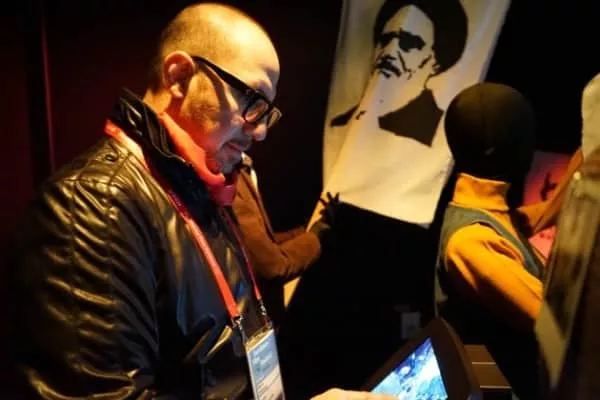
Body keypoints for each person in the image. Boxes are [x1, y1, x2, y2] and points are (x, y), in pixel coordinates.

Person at [7, 3, 395, 399]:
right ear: (179, 77)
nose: (261, 131)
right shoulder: (92, 205)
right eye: (251, 100)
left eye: (267, 112)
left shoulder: (198, 186)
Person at [434, 82, 544, 399]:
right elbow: (557, 324)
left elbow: (545, 212)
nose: (532, 145)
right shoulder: (471, 241)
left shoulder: (483, 214)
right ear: (498, 148)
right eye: (524, 134)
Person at [330, 0, 468, 147]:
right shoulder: (344, 124)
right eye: (385, 40)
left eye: (408, 44)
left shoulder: (439, 132)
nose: (390, 51)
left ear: (435, 63)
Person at [232, 153, 338, 326]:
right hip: (255, 318)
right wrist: (314, 237)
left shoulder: (240, 168)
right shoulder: (231, 175)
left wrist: (303, 233)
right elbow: (272, 267)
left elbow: (262, 242)